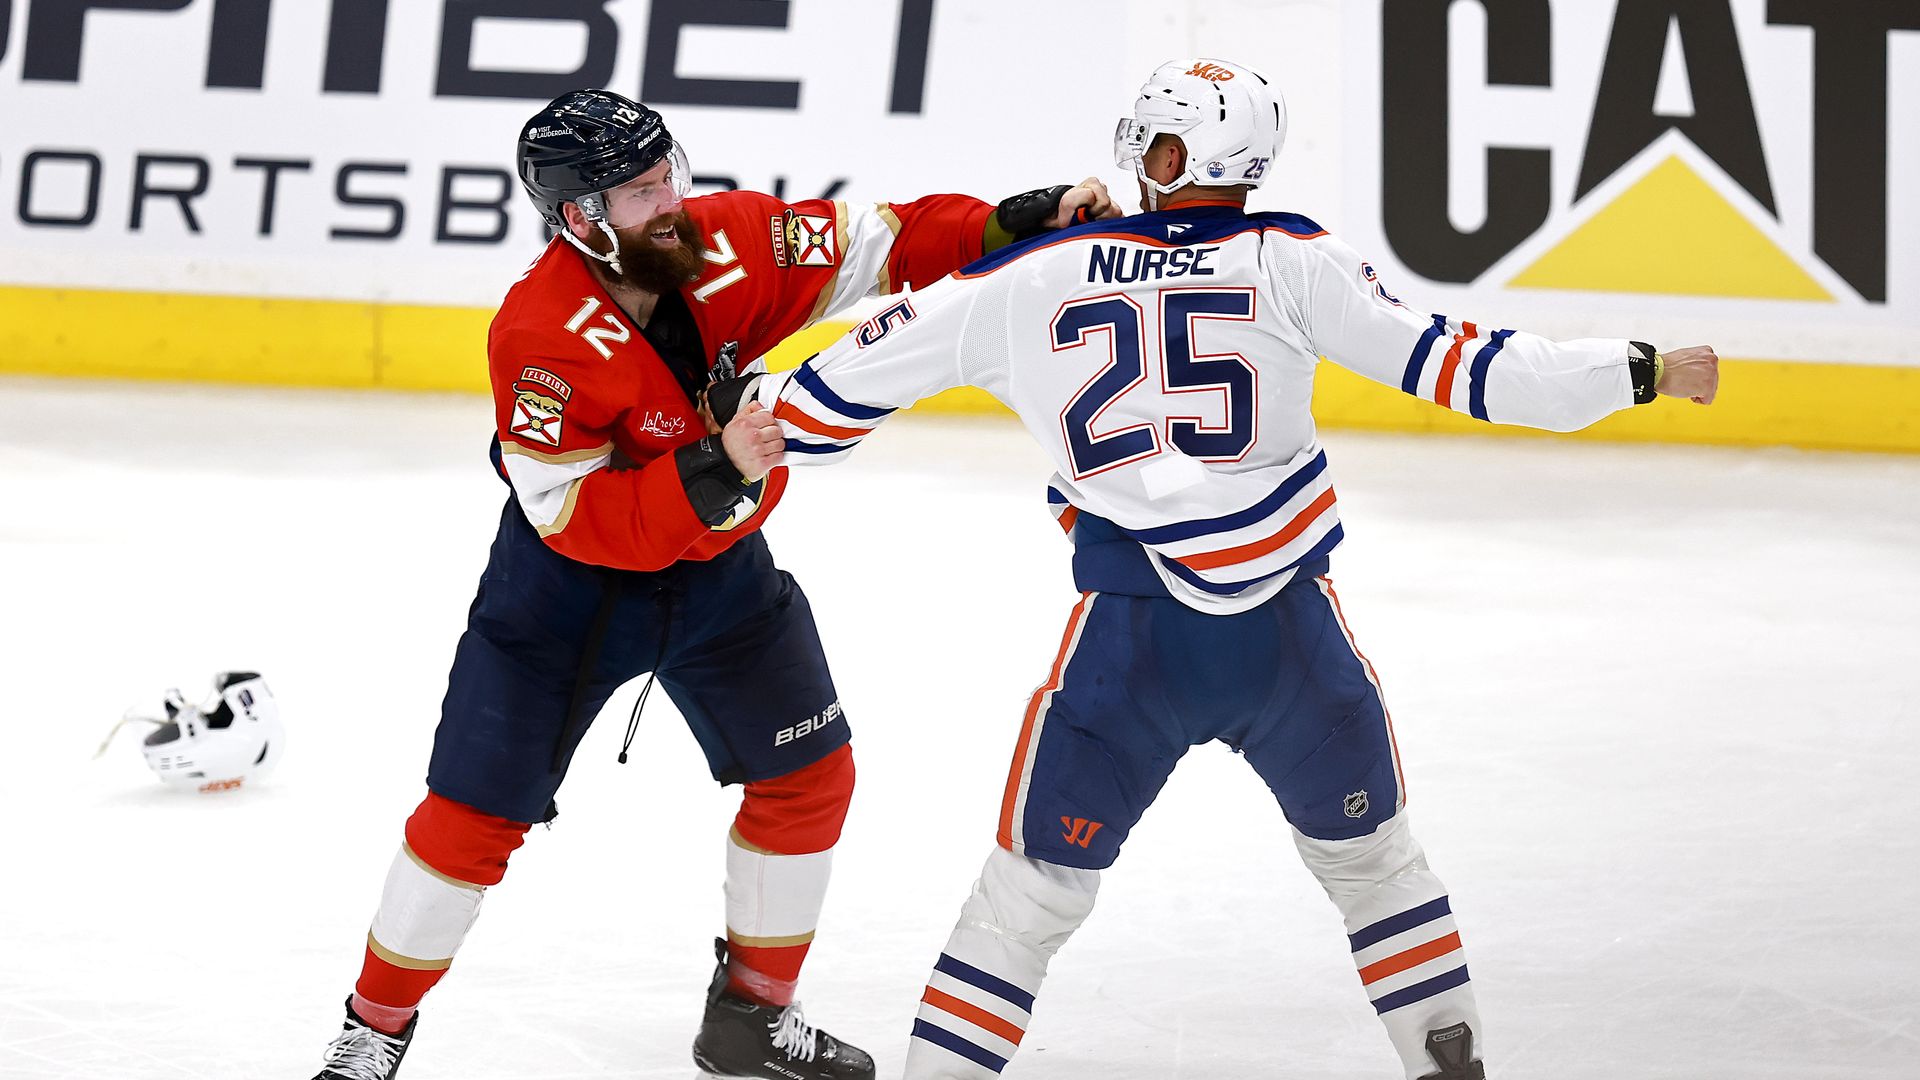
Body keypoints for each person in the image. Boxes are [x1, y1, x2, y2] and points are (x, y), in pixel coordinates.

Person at [706, 57, 1719, 1080]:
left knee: (1026, 900)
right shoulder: (1292, 260)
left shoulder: (1031, 277)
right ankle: (1448, 1065)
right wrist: (1638, 368)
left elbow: (824, 400)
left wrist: (728, 408)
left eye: (1149, 138)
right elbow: (1472, 367)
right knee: (1378, 872)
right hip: (1292, 647)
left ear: (1169, 153)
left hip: (1126, 654)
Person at [308, 88, 1116, 1080]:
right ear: (578, 219)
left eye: (665, 176)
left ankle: (751, 1017)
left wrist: (1008, 223)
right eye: (640, 192)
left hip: (722, 581)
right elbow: (581, 521)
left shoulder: (726, 239)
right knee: (471, 818)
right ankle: (374, 1029)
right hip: (563, 603)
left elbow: (883, 242)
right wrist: (722, 466)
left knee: (810, 776)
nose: (670, 204)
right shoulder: (540, 338)